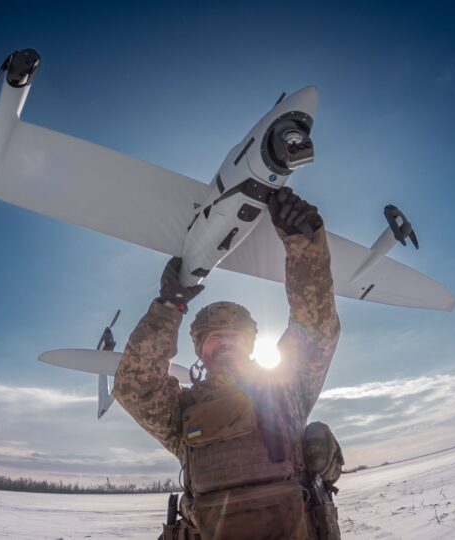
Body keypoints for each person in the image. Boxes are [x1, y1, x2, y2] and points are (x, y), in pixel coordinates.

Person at [113, 187, 342, 539]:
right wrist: (167, 309)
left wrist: (303, 243)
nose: (225, 342)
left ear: (250, 345)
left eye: (235, 336)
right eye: (214, 337)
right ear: (201, 350)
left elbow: (316, 331)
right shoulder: (181, 414)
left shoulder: (286, 393)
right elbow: (134, 388)